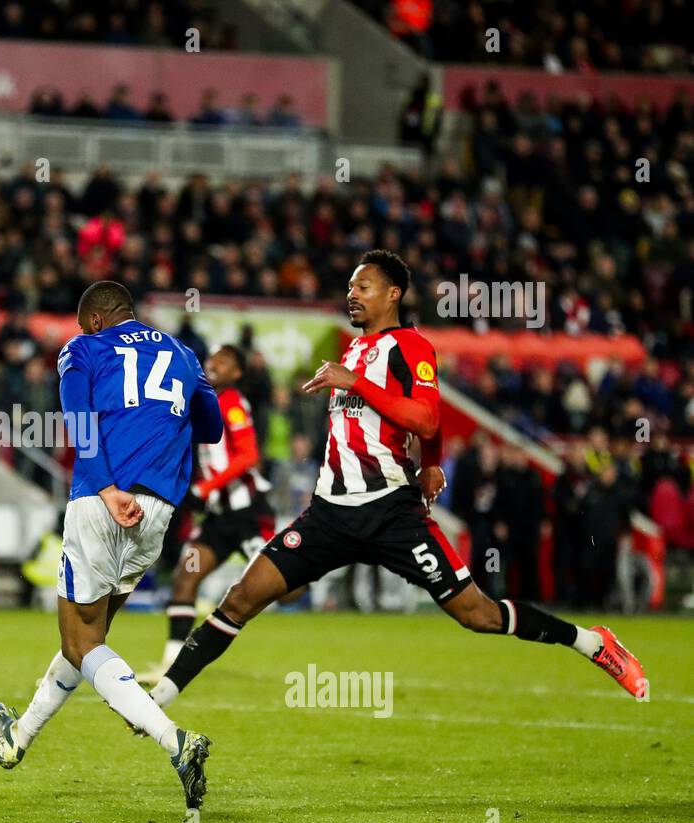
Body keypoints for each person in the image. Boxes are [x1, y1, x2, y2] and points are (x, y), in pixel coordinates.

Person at [145, 250, 649, 720]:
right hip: (328, 513)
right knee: (239, 599)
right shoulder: (355, 350)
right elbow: (419, 431)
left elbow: (428, 419)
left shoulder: (410, 348)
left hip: (391, 512)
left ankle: (591, 642)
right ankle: (159, 699)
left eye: (364, 285)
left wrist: (370, 397)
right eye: (349, 286)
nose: (352, 294)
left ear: (393, 294)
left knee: (476, 614)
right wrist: (429, 463)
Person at [0, 280, 225, 810]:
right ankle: (18, 737)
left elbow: (80, 423)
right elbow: (210, 426)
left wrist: (108, 487)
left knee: (81, 643)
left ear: (94, 320)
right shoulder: (183, 353)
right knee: (89, 637)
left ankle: (174, 740)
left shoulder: (83, 349)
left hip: (103, 500)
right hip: (158, 512)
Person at [140, 345, 274, 681]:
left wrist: (206, 487)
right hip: (217, 521)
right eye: (212, 359)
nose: (214, 364)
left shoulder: (234, 404)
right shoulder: (202, 404)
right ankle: (170, 664)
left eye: (224, 361)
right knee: (186, 576)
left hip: (247, 514)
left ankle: (312, 569)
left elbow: (248, 456)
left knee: (283, 582)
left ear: (237, 373)